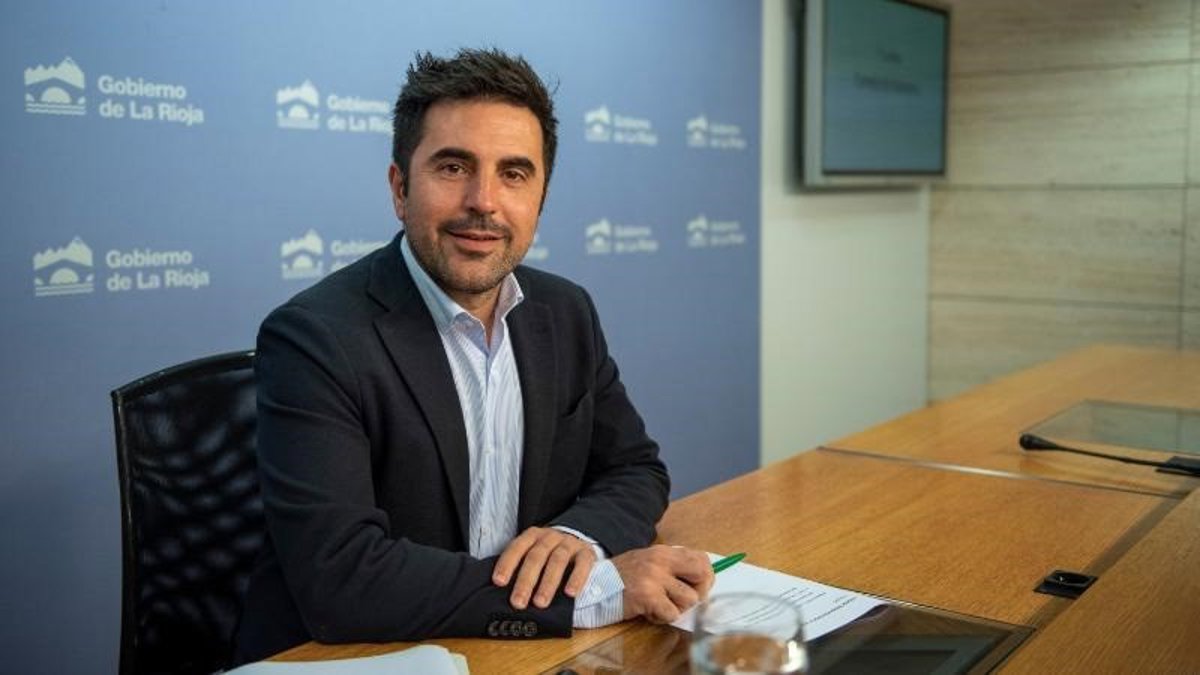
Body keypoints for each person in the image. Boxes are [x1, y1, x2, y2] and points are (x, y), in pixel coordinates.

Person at [233, 48, 714, 664]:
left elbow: (635, 469)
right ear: (400, 188)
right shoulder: (314, 337)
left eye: (514, 174)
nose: (484, 201)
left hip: (514, 655)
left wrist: (576, 538)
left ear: (540, 197)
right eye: (454, 167)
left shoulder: (565, 312)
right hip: (361, 656)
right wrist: (593, 590)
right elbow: (343, 578)